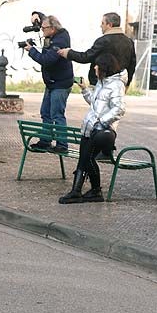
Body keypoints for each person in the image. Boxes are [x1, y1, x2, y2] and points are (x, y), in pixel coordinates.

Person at [59, 53, 126, 204]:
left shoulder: (116, 85)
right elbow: (95, 103)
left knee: (86, 158)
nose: (95, 67)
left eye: (97, 65)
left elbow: (119, 109)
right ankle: (94, 191)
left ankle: (78, 191)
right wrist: (84, 89)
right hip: (90, 128)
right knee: (85, 159)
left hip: (102, 131)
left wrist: (100, 122)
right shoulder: (101, 83)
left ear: (104, 67)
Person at [25, 15, 75, 151]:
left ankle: (62, 145)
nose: (42, 30)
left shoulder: (60, 40)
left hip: (61, 83)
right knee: (45, 113)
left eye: (43, 28)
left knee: (57, 114)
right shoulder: (52, 32)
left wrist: (31, 50)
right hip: (51, 82)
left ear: (53, 29)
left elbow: (47, 60)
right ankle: (45, 141)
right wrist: (36, 14)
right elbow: (44, 18)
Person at [58, 12, 136, 86]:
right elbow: (132, 65)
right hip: (120, 84)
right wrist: (127, 84)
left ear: (110, 25)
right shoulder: (129, 41)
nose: (100, 26)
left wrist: (68, 53)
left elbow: (86, 57)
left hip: (102, 83)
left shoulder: (103, 41)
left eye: (103, 23)